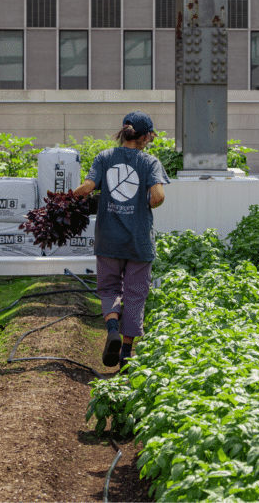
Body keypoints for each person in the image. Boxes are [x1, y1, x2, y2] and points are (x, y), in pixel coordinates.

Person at [71, 111, 169, 370]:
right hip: (139, 242)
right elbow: (158, 197)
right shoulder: (150, 162)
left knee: (109, 288)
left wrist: (67, 198)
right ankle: (126, 352)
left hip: (109, 239)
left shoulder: (105, 157)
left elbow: (88, 187)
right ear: (146, 136)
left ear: (123, 133)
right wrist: (140, 205)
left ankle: (112, 328)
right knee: (136, 293)